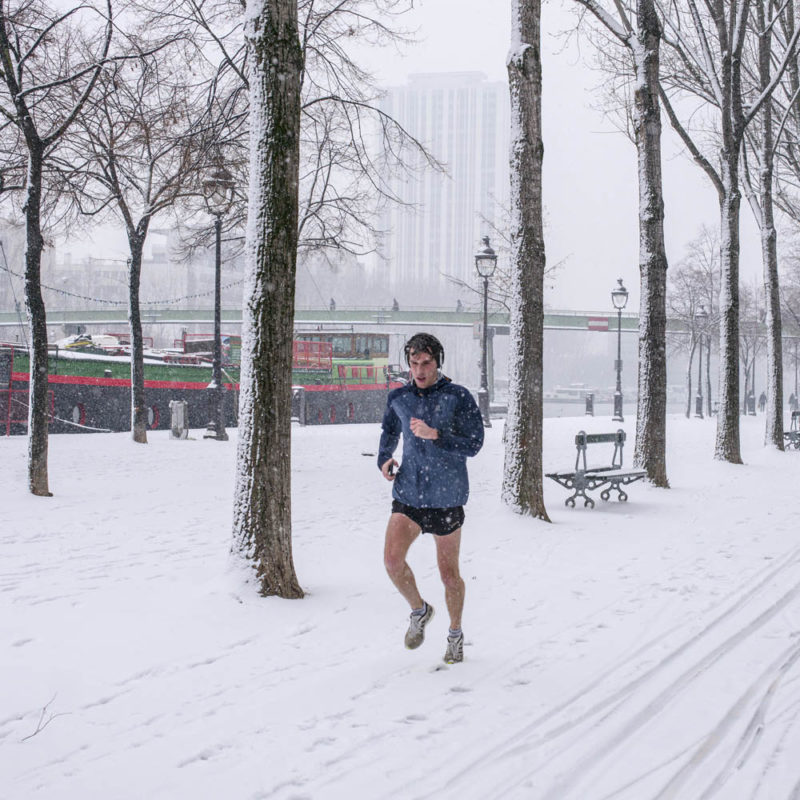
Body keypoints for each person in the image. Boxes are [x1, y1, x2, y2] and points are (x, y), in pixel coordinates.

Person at [378, 332, 484, 664]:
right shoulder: (399, 397)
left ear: (438, 362)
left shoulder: (458, 397)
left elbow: (474, 443)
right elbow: (389, 432)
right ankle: (419, 610)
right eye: (413, 364)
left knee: (448, 574)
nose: (420, 371)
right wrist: (384, 458)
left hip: (446, 497)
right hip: (409, 493)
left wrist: (436, 435)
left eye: (426, 363)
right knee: (392, 562)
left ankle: (455, 634)